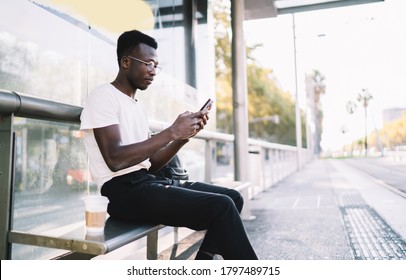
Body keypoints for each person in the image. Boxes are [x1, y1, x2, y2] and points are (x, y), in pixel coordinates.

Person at [80, 30, 258, 260]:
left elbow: (151, 164)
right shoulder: (103, 96)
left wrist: (182, 137)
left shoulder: (137, 106)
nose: (153, 71)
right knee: (221, 207)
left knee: (233, 197)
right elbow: (115, 160)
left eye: (156, 65)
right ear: (125, 62)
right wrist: (171, 131)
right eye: (148, 63)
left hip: (147, 183)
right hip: (122, 192)